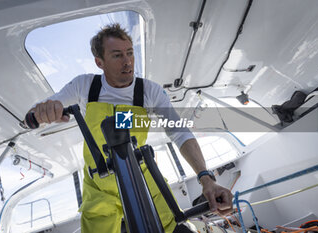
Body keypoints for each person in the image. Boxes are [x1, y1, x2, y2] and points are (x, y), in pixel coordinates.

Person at [26, 23, 233, 233]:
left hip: (144, 175)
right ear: (100, 62)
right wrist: (44, 110)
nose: (128, 62)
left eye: (130, 53)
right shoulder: (84, 86)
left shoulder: (149, 91)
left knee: (175, 226)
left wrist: (206, 179)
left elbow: (179, 131)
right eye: (117, 55)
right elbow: (46, 107)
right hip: (98, 185)